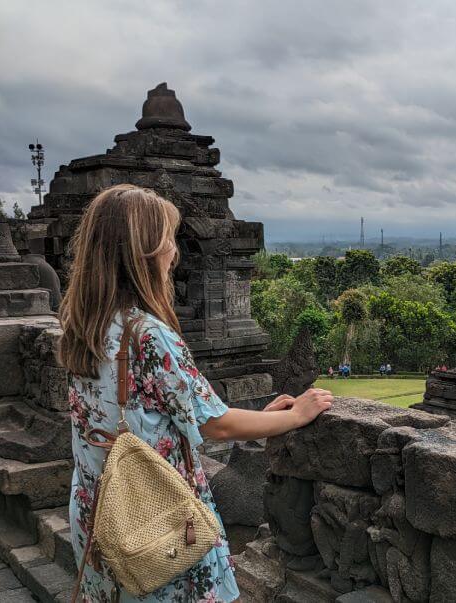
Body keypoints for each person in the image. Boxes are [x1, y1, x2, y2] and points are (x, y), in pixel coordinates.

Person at [59, 185, 334, 602]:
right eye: (168, 238)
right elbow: (215, 424)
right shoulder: (147, 335)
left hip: (100, 512)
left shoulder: (83, 327)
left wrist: (264, 416)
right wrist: (295, 416)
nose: (175, 251)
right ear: (145, 251)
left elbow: (163, 409)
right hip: (156, 524)